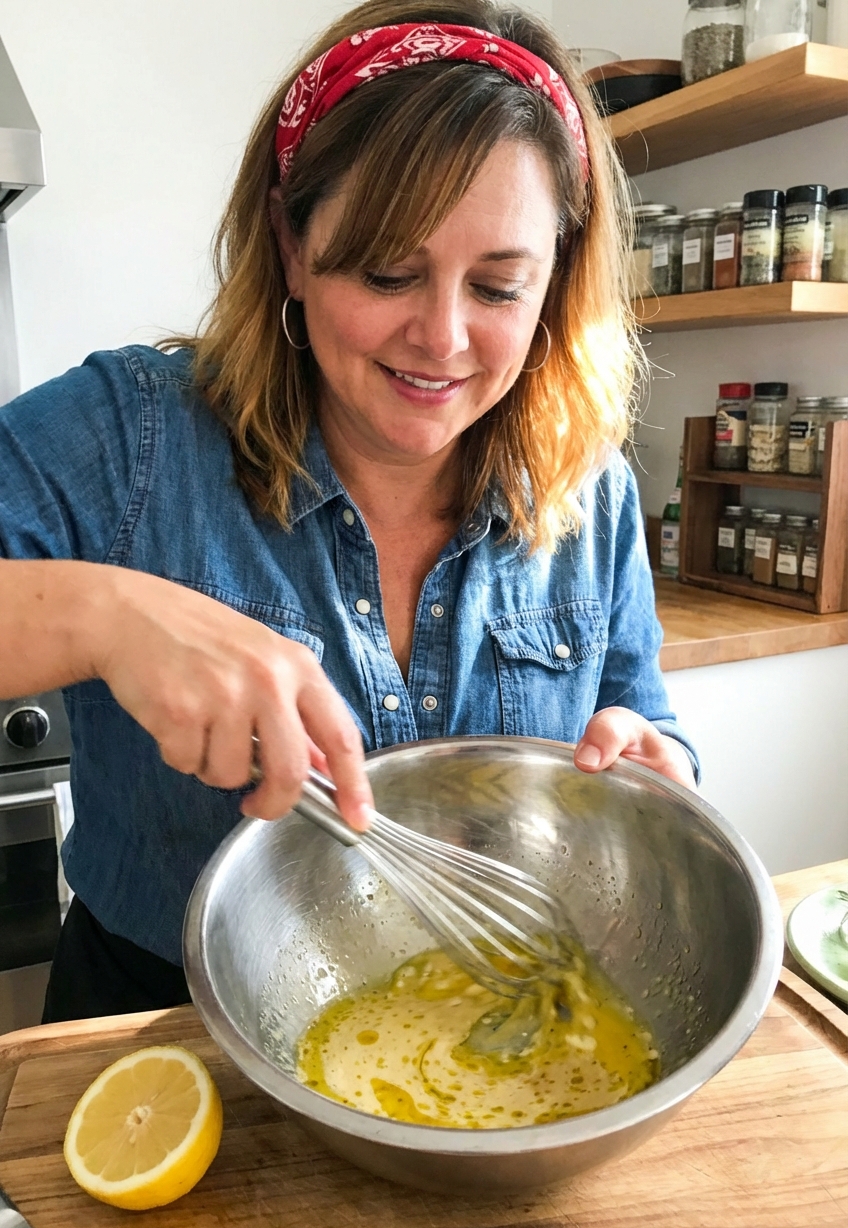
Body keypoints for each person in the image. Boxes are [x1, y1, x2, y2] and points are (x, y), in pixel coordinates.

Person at [0, 0, 698, 1023]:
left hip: (473, 1026)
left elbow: (649, 715)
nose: (443, 336)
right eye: (387, 272)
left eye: (499, 288)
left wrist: (652, 766)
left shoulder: (587, 487)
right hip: (158, 1033)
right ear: (290, 241)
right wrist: (99, 616)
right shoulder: (131, 436)